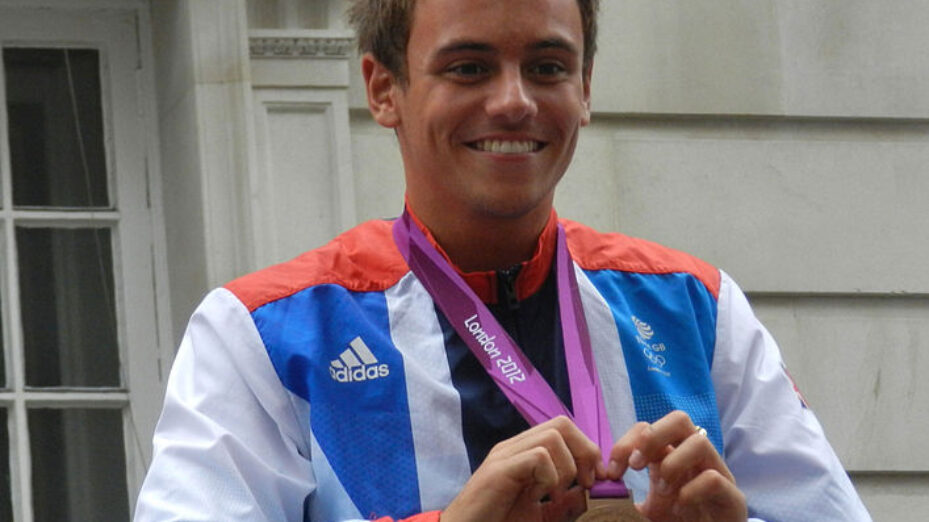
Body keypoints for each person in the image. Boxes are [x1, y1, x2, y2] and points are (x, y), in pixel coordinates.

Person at [135, 0, 872, 521]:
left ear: (583, 90)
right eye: (467, 68)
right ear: (382, 88)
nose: (514, 101)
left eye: (548, 66)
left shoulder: (694, 308)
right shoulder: (264, 332)